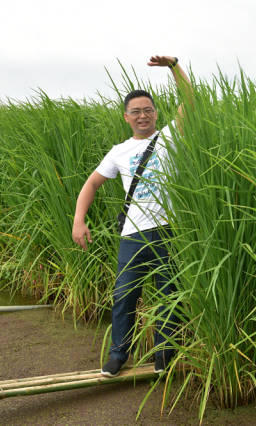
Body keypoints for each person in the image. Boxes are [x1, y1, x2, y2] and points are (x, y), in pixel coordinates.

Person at [72, 55, 192, 377]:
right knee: (124, 295)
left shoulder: (169, 138)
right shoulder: (119, 151)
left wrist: (174, 66)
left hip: (167, 230)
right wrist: (78, 220)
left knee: (169, 295)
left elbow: (191, 100)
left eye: (148, 110)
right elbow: (92, 183)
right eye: (136, 111)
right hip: (132, 234)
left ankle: (164, 355)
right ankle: (118, 354)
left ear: (156, 113)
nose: (143, 115)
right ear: (126, 117)